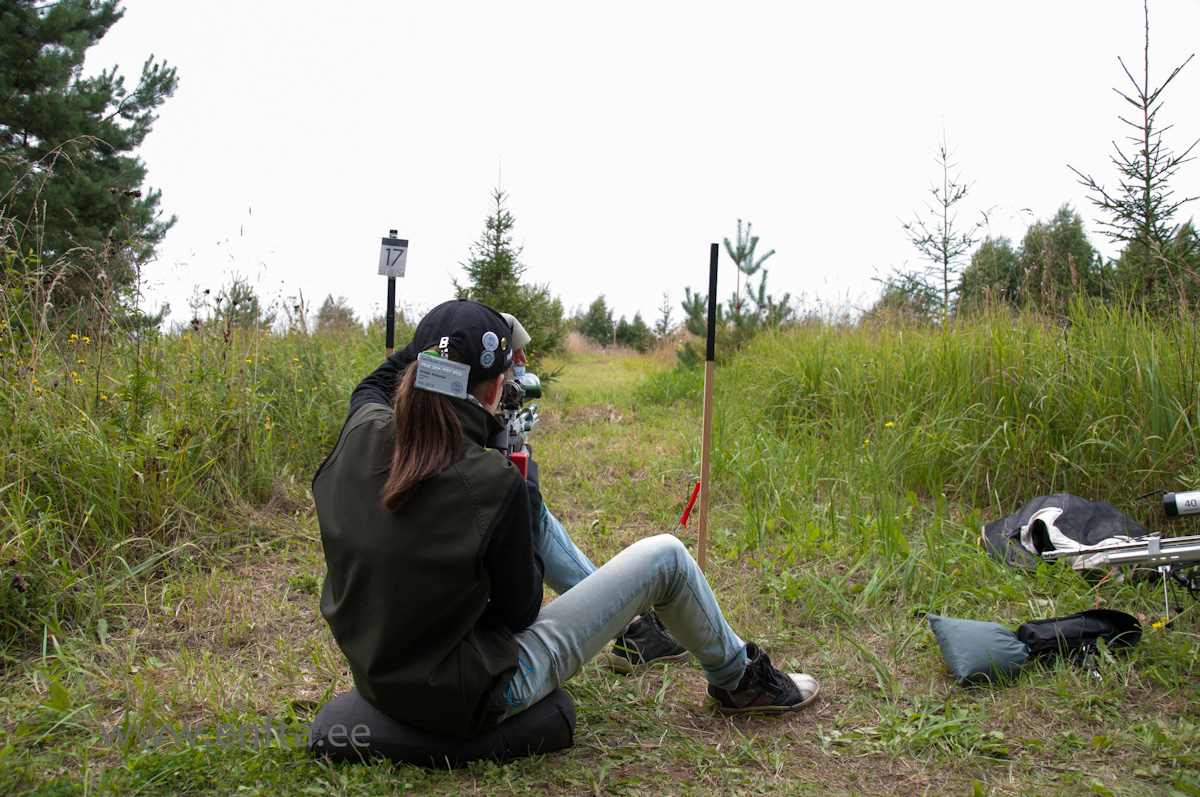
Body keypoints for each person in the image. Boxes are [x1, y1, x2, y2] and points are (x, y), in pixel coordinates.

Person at [314, 298, 818, 740]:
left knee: (520, 519)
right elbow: (520, 613)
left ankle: (636, 630)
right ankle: (740, 681)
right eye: (506, 376)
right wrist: (524, 482)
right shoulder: (495, 484)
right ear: (491, 388)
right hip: (467, 693)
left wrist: (449, 340)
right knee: (666, 556)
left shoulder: (364, 427)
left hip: (380, 671)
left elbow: (384, 379)